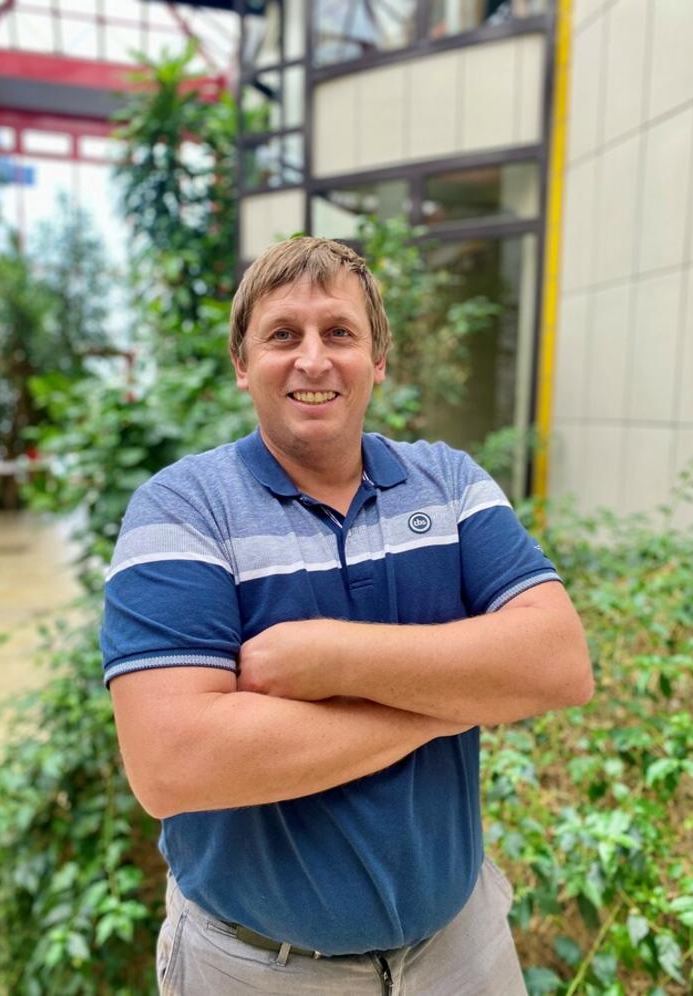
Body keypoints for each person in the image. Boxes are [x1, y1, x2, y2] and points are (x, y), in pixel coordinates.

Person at [101, 237, 593, 995]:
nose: (312, 359)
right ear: (241, 363)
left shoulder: (448, 483)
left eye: (338, 332)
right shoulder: (183, 509)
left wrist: (330, 657)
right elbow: (174, 764)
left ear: (377, 359)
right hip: (256, 970)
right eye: (282, 334)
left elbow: (558, 663)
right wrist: (459, 699)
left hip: (462, 952)